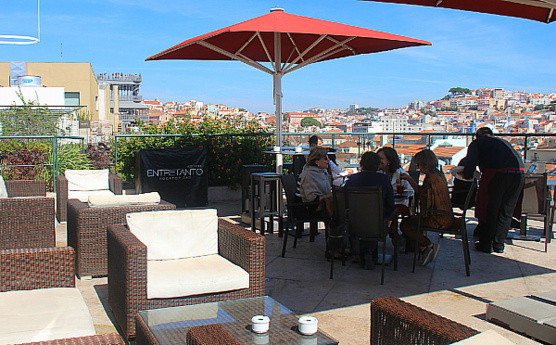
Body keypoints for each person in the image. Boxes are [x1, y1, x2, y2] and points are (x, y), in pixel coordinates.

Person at [461, 127, 524, 254]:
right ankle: (499, 244)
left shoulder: (477, 143)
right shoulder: (502, 142)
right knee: (506, 211)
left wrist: (466, 175)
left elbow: (470, 163)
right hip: (519, 175)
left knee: (491, 209)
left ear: (477, 136)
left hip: (497, 176)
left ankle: (485, 244)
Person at [400, 149, 453, 265]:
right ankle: (423, 249)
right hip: (447, 216)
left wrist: (409, 179)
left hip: (437, 218)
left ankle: (427, 245)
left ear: (424, 164)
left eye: (419, 165)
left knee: (405, 224)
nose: (418, 168)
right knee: (412, 221)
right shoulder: (439, 174)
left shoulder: (430, 179)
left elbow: (422, 196)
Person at [343, 151, 396, 268]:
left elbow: (345, 201)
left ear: (362, 165)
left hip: (355, 225)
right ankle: (369, 253)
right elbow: (390, 205)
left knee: (365, 218)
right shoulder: (384, 180)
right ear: (378, 165)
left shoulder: (352, 180)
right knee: (375, 217)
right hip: (377, 225)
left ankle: (364, 253)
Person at [296, 146, 333, 214]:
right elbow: (311, 199)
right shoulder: (309, 174)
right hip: (306, 208)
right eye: (325, 158)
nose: (328, 160)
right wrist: (330, 196)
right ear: (317, 162)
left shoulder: (322, 172)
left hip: (317, 205)